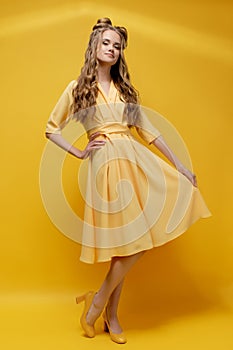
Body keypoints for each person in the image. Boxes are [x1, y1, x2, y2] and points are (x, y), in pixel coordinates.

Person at [45, 17, 211, 344]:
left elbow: (148, 130)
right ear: (94, 46)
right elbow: (51, 128)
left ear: (121, 53)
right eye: (106, 43)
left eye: (117, 46)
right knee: (126, 244)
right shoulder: (76, 88)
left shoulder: (122, 89)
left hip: (134, 160)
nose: (112, 49)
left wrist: (179, 165)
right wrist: (78, 153)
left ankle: (100, 306)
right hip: (105, 166)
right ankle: (107, 311)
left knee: (134, 243)